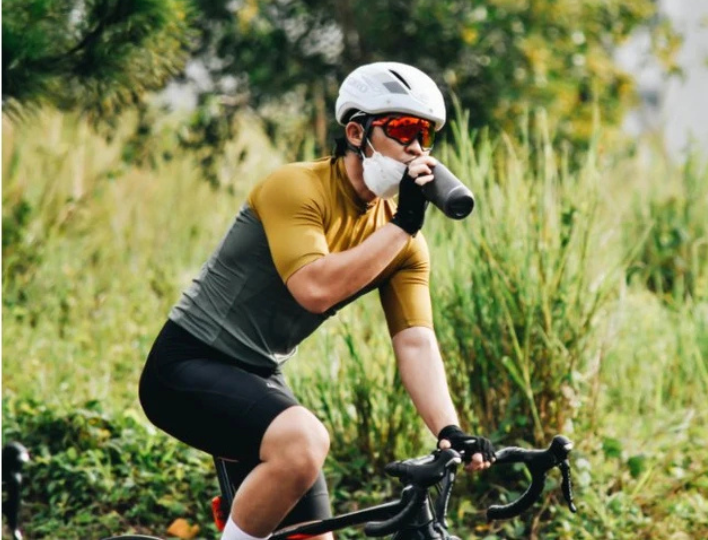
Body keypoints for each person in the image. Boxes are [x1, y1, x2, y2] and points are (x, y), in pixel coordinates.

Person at [138, 62, 495, 540]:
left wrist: (448, 429)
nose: (416, 146)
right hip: (187, 365)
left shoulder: (403, 242)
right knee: (304, 442)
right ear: (356, 132)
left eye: (425, 134)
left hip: (258, 376)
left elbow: (416, 342)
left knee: (314, 533)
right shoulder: (296, 187)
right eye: (403, 128)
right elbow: (314, 289)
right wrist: (404, 224)